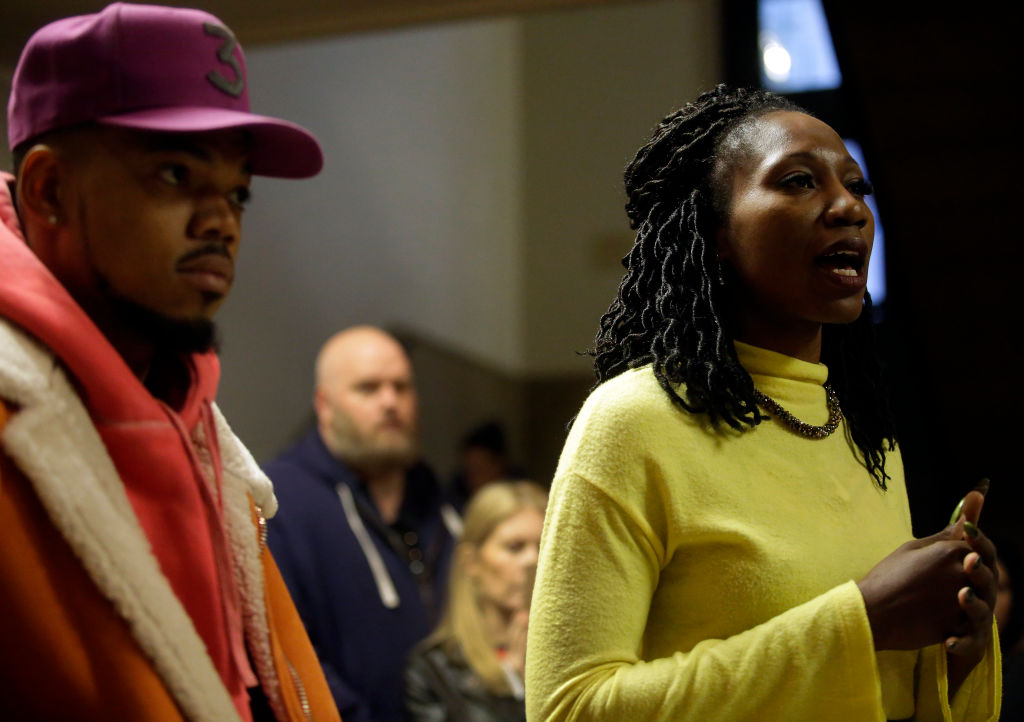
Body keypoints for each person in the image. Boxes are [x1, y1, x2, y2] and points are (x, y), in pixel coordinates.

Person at [525, 85, 1001, 721]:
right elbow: (569, 708)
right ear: (714, 231)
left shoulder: (865, 437)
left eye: (857, 187)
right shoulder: (634, 421)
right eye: (800, 181)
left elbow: (878, 689)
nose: (849, 209)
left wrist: (956, 649)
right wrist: (859, 619)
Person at [0, 4, 338, 721]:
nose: (221, 220)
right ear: (49, 191)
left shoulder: (195, 420)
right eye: (175, 174)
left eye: (238, 191)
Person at [265, 325, 461, 722]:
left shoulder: (440, 505)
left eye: (402, 387)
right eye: (368, 389)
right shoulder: (279, 502)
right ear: (325, 404)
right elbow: (287, 655)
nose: (390, 402)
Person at [405, 480, 547, 722]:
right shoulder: (434, 671)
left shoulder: (577, 655)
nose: (532, 561)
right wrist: (515, 688)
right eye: (515, 547)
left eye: (544, 547)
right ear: (471, 562)